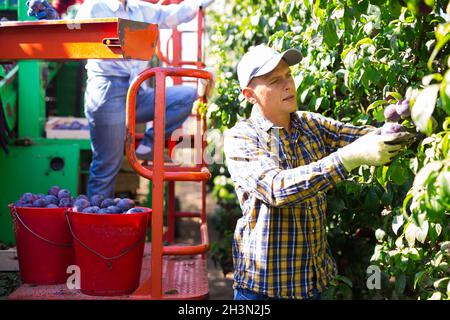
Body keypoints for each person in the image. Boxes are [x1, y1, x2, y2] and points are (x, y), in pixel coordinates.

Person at [223, 44, 414, 300]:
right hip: (263, 289)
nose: (288, 85)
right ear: (250, 95)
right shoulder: (242, 137)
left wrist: (409, 123)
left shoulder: (311, 124)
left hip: (312, 284)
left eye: (288, 75)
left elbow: (361, 136)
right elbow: (276, 188)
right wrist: (348, 158)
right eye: (275, 81)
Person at [28, 0, 215, 198]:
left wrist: (201, 2)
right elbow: (72, 36)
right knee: (107, 166)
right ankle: (96, 220)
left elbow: (172, 15)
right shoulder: (95, 7)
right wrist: (53, 19)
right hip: (108, 90)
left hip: (137, 91)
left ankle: (149, 144)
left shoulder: (139, 9)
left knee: (185, 96)